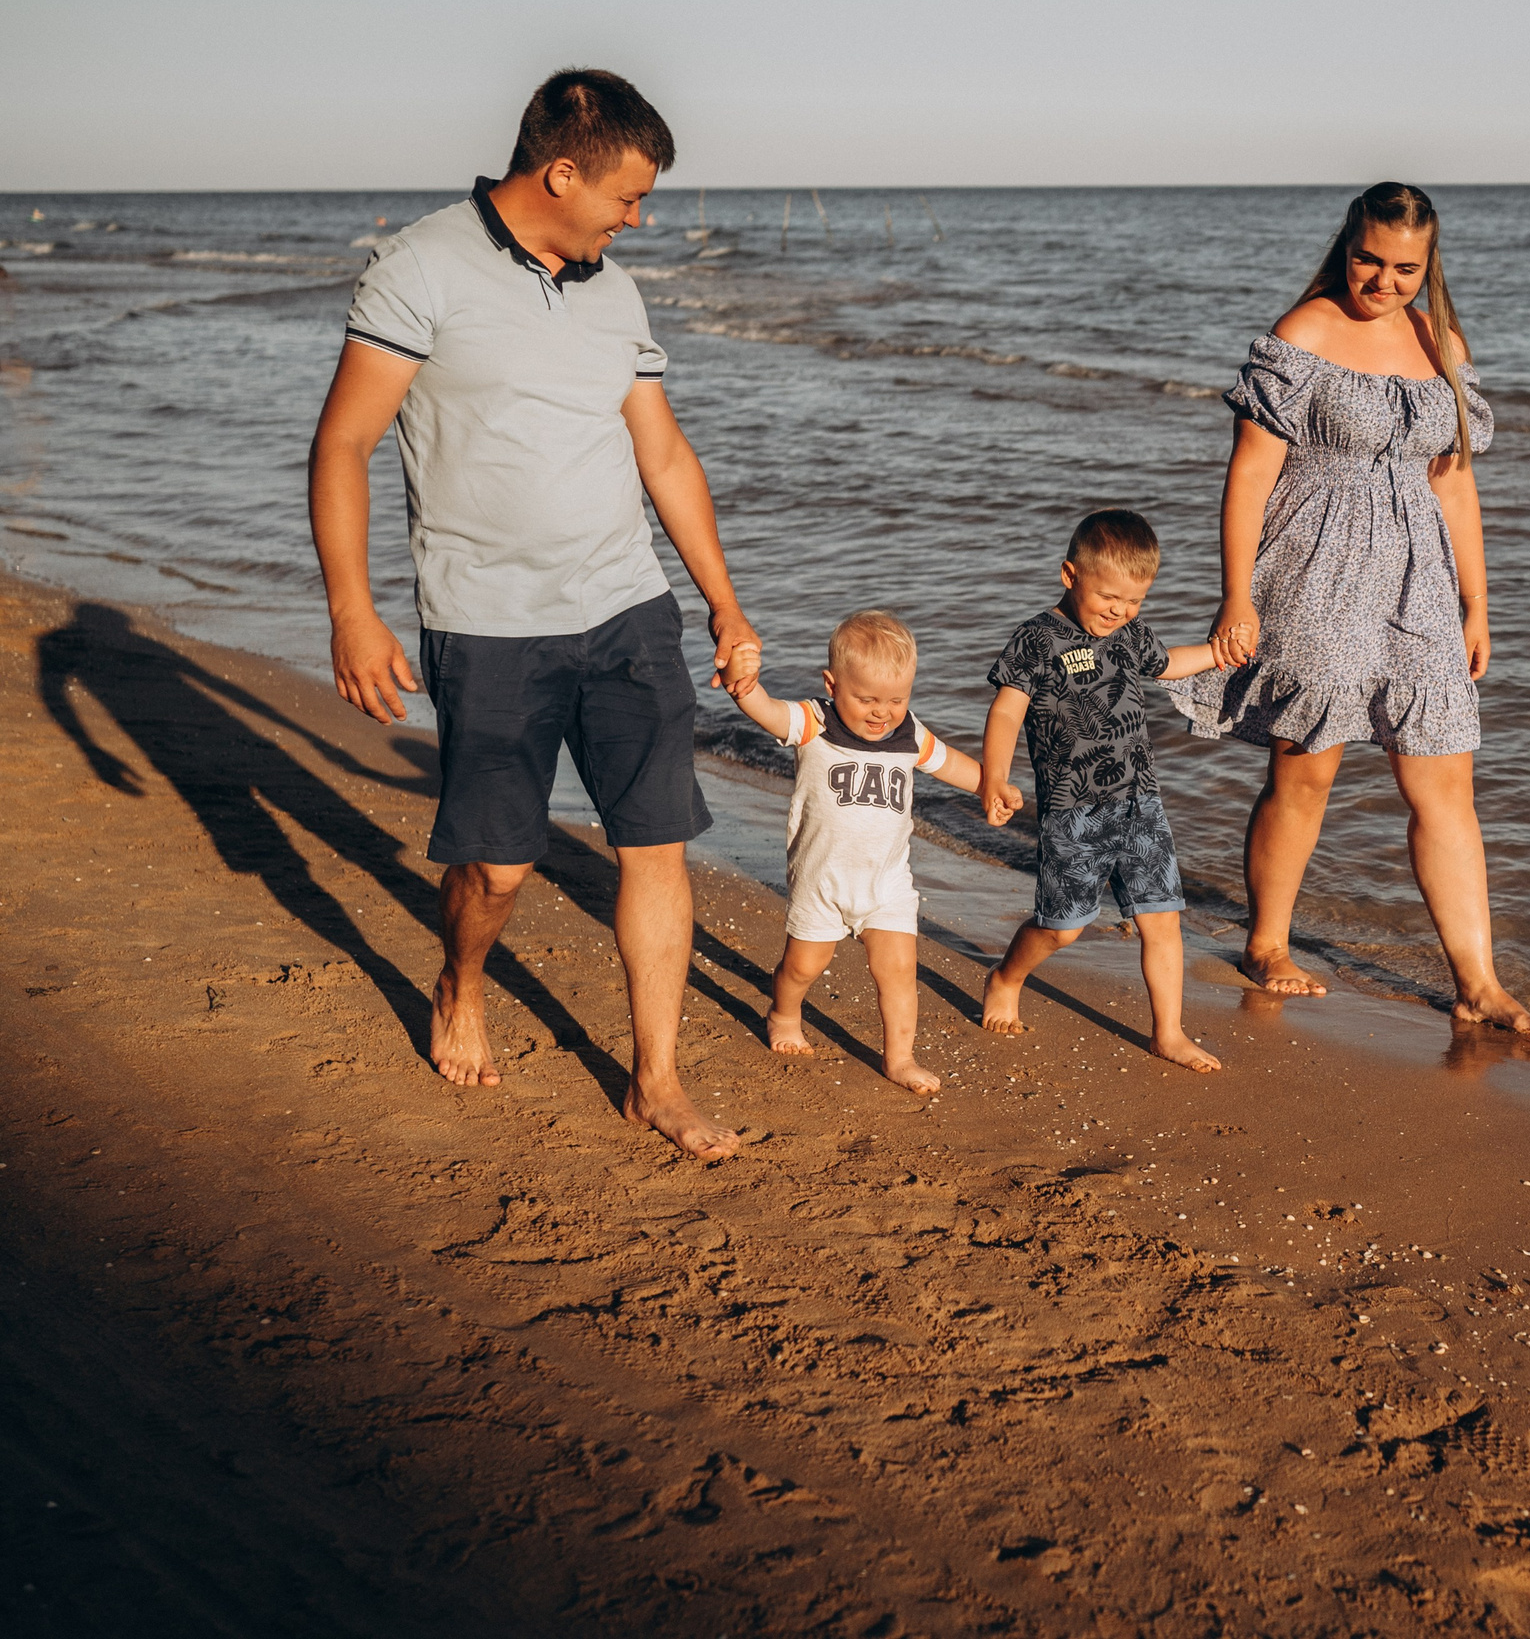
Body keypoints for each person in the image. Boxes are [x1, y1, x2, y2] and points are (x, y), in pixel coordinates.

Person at [307, 67, 763, 1158]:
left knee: (655, 846)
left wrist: (723, 604)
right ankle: (459, 980)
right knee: (499, 867)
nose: (637, 219)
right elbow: (343, 444)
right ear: (561, 173)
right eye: (628, 197)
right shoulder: (420, 267)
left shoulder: (613, 290)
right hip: (488, 620)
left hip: (626, 606)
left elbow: (661, 449)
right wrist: (351, 612)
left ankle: (657, 1079)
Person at [1170, 182, 1530, 1033]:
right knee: (1307, 767)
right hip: (1315, 567)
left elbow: (1453, 480)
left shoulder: (1439, 340)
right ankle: (1267, 944)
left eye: (1405, 267)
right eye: (1370, 259)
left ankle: (1478, 983)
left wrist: (1477, 603)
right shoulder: (1303, 334)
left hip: (1419, 580)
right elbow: (1250, 475)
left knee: (1446, 778)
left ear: (1429, 263)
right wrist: (1237, 595)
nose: (1383, 281)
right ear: (1347, 244)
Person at [718, 609, 1015, 1094]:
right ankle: (784, 1013)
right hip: (822, 884)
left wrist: (992, 786)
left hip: (887, 885)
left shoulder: (909, 733)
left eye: (897, 699)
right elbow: (767, 710)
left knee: (898, 970)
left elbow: (950, 763)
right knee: (802, 968)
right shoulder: (814, 722)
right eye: (867, 699)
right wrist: (743, 683)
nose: (882, 712)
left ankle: (899, 1058)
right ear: (832, 685)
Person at [977, 510, 1224, 1071]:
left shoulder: (1132, 635)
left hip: (1141, 801)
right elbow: (1007, 711)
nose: (1120, 610)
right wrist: (995, 776)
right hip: (1074, 810)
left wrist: (1217, 653)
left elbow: (1167, 666)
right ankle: (1006, 976)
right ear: (1070, 574)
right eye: (1109, 597)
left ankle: (1170, 1032)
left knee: (1161, 918)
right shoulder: (1037, 639)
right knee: (1062, 929)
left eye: (1134, 601)